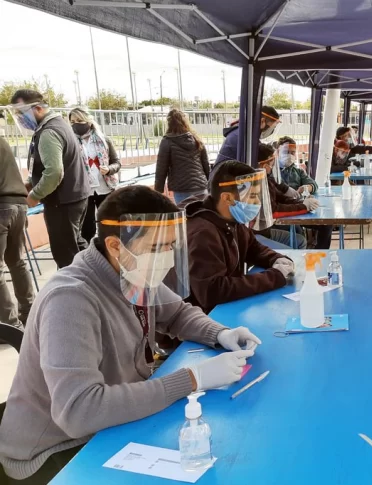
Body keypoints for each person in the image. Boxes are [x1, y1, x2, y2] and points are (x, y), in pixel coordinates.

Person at [0, 185, 262, 484]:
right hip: (55, 454)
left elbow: (177, 313)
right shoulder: (70, 300)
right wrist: (192, 379)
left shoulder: (133, 272)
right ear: (115, 246)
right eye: (155, 248)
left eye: (170, 246)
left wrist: (221, 333)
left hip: (107, 426)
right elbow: (79, 411)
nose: (165, 258)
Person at [185, 160, 296, 314]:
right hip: (207, 318)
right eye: (252, 196)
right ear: (227, 198)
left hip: (228, 308)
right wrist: (273, 277)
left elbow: (253, 248)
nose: (257, 203)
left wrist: (274, 258)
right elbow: (212, 291)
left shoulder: (232, 219)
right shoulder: (202, 234)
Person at [10, 90, 91, 269]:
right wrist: (31, 182)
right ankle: (94, 284)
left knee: (66, 256)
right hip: (75, 197)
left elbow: (54, 172)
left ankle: (74, 293)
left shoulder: (49, 132)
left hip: (61, 203)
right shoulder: (60, 123)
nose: (19, 119)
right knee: (77, 248)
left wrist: (35, 195)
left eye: (21, 113)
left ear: (37, 108)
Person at [68, 107, 121, 244]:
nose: (76, 124)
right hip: (84, 191)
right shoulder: (70, 142)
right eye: (72, 121)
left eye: (80, 120)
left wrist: (109, 169)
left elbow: (116, 162)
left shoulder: (104, 140)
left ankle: (111, 252)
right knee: (87, 229)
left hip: (106, 188)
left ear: (89, 121)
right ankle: (90, 257)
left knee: (110, 224)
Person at [0, 137, 34, 328]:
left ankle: (10, 325)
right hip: (19, 204)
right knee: (17, 261)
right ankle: (29, 314)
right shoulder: (2, 141)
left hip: (2, 207)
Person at [254, 144, 315, 249]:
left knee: (297, 233)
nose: (273, 165)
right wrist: (304, 207)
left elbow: (281, 198)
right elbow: (274, 210)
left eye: (293, 152)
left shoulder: (266, 180)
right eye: (272, 162)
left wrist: (301, 201)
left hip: (263, 230)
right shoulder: (258, 183)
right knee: (299, 241)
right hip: (258, 232)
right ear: (264, 165)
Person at [276, 137, 333, 249]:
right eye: (286, 152)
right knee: (296, 231)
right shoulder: (273, 172)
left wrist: (307, 188)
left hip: (299, 208)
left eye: (293, 152)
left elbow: (314, 185)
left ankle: (319, 255)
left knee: (327, 224)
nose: (290, 155)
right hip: (281, 210)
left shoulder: (298, 171)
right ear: (277, 151)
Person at [154, 109, 210, 205]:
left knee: (185, 216)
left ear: (169, 123)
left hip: (181, 188)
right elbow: (205, 163)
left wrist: (158, 190)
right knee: (202, 215)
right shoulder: (196, 138)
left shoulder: (167, 141)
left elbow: (161, 167)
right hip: (201, 186)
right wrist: (209, 182)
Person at [215, 106, 281, 164]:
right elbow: (257, 154)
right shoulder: (242, 137)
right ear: (262, 121)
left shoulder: (244, 133)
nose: (271, 131)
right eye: (272, 127)